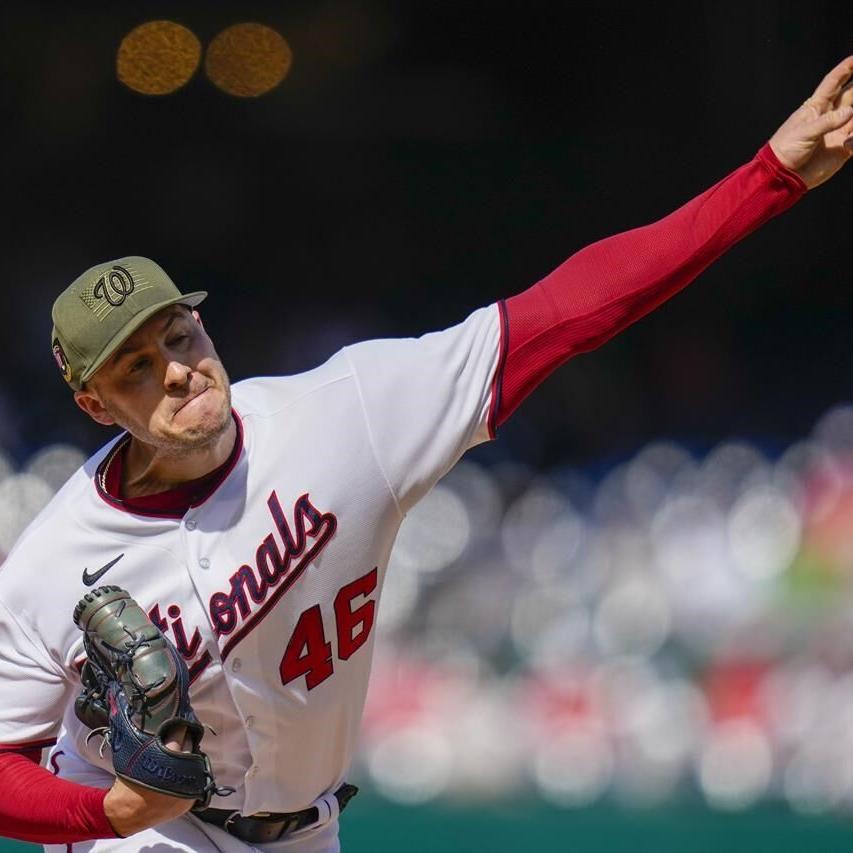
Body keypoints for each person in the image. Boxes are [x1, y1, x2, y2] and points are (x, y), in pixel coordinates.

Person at [0, 56, 851, 853]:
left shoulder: (349, 414)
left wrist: (768, 177)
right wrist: (103, 811)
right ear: (95, 404)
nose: (180, 371)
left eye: (179, 334)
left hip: (305, 828)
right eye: (139, 369)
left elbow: (569, 309)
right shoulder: (50, 561)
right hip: (148, 836)